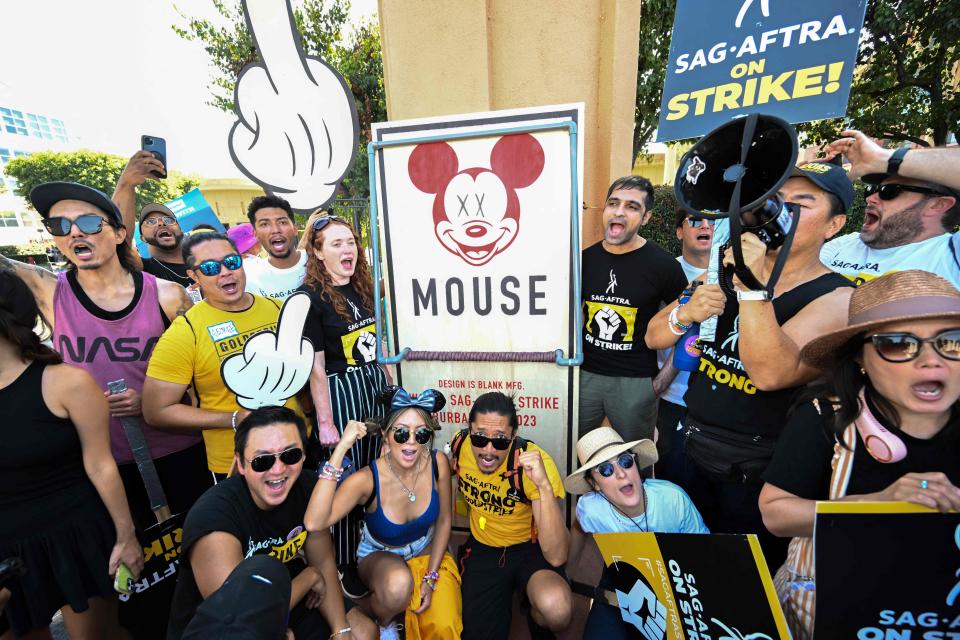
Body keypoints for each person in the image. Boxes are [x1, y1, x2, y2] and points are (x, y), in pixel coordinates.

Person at [645, 162, 856, 568]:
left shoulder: (838, 297)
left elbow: (771, 372)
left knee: (736, 582)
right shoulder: (722, 272)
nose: (782, 213)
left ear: (835, 224)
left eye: (802, 204)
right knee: (676, 566)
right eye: (776, 201)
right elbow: (654, 335)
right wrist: (684, 316)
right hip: (690, 448)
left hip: (756, 473)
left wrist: (753, 289)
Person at [759, 270, 960, 639]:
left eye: (953, 342)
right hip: (831, 612)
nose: (931, 361)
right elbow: (775, 513)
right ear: (859, 358)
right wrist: (874, 506)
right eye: (898, 343)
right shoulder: (826, 416)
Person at [0, 181, 209, 533]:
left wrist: (154, 401)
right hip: (102, 466)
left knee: (201, 553)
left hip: (179, 452)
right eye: (60, 226)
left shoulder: (168, 296)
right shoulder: (49, 291)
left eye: (90, 223)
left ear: (118, 234)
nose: (75, 232)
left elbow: (205, 380)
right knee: (139, 574)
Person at [0, 270, 143, 638]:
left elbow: (101, 465)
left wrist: (126, 537)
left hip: (77, 536)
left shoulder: (67, 382)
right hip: (7, 545)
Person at [166, 406, 375, 639]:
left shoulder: (306, 488)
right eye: (262, 461)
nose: (278, 469)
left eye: (290, 455)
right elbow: (242, 618)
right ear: (241, 464)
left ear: (304, 456)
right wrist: (309, 578)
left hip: (287, 594)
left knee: (363, 632)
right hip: (229, 626)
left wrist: (340, 630)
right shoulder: (215, 519)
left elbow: (323, 561)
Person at [143, 231, 302, 480]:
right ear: (193, 276)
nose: (225, 272)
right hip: (238, 466)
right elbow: (156, 411)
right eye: (209, 268)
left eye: (231, 262)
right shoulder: (186, 331)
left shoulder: (277, 310)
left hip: (296, 452)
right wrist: (234, 418)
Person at [305, 388, 461, 640]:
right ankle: (384, 620)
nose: (411, 442)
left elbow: (444, 520)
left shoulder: (437, 462)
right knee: (398, 585)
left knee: (444, 624)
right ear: (385, 436)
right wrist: (341, 448)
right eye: (400, 433)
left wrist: (431, 577)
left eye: (421, 434)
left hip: (426, 548)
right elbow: (314, 522)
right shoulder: (366, 479)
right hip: (381, 555)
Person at [297, 213, 389, 592]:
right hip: (342, 394)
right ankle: (346, 562)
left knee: (377, 473)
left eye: (350, 241)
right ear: (318, 253)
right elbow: (316, 367)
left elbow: (380, 346)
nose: (347, 249)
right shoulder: (308, 299)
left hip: (373, 387)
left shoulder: (362, 287)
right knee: (349, 480)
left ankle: (372, 549)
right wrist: (325, 422)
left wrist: (393, 390)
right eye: (336, 244)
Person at [565, 427, 708, 637]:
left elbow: (705, 553)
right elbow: (579, 525)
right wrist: (567, 573)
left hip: (676, 580)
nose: (621, 473)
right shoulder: (591, 509)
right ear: (594, 484)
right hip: (622, 576)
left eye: (625, 461)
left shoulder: (673, 499)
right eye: (605, 469)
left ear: (636, 465)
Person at [452, 391, 571, 640]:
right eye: (480, 437)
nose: (487, 450)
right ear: (469, 430)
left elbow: (557, 555)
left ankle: (535, 618)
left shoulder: (532, 464)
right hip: (484, 546)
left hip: (529, 548)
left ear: (514, 436)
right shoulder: (460, 446)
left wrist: (543, 487)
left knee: (557, 611)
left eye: (500, 441)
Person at [580, 175, 689, 441]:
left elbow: (688, 326)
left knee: (634, 459)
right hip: (584, 377)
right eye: (613, 203)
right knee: (577, 454)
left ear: (646, 217)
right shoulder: (584, 260)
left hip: (636, 381)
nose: (619, 211)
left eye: (632, 206)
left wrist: (663, 381)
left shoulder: (663, 266)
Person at [820, 130, 960, 287]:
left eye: (889, 191)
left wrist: (885, 159)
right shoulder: (844, 244)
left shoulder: (951, 256)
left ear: (937, 205)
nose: (870, 198)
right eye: (872, 189)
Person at [652, 209, 715, 479]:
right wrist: (658, 386)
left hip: (717, 398)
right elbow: (650, 331)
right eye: (695, 220)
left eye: (713, 221)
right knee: (672, 473)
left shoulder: (737, 276)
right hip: (671, 398)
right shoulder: (663, 272)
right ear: (679, 232)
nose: (705, 226)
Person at [244, 195, 307, 300]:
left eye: (282, 222)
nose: (275, 230)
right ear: (255, 234)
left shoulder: (320, 262)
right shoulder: (249, 277)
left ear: (295, 229)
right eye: (264, 224)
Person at [137, 203, 192, 286]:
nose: (161, 223)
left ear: (181, 231)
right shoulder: (144, 271)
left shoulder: (204, 257)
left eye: (169, 220)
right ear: (143, 238)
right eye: (151, 222)